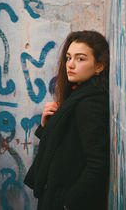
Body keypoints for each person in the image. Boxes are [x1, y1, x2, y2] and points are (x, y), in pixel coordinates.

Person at [24, 30, 110, 210]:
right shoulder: (79, 93)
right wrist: (46, 126)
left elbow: (98, 163)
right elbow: (68, 144)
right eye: (68, 57)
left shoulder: (90, 102)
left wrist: (68, 203)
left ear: (99, 66)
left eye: (80, 59)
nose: (70, 64)